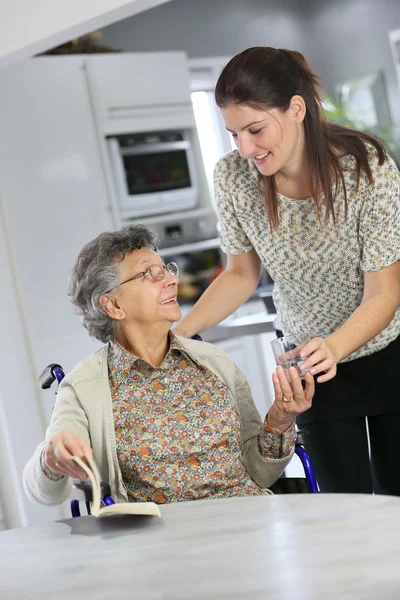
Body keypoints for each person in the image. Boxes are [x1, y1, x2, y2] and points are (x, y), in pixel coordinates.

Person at [174, 47, 400, 495]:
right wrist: (178, 335)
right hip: (311, 375)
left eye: (255, 130)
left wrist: (333, 346)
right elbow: (240, 274)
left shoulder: (366, 169)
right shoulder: (233, 178)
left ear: (296, 108)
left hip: (389, 355)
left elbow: (385, 292)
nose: (245, 148)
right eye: (234, 133)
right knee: (342, 511)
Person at [23, 225, 314, 507]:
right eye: (151, 274)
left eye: (167, 270)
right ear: (113, 306)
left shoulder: (216, 364)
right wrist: (51, 458)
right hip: (164, 545)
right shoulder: (85, 388)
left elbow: (260, 474)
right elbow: (44, 493)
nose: (173, 280)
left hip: (248, 526)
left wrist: (280, 419)